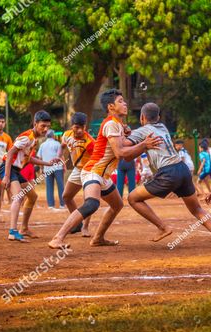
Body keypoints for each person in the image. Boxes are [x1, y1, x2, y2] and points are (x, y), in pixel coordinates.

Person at [48, 89, 162, 249]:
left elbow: (126, 153)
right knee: (91, 204)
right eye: (121, 101)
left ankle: (98, 238)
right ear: (110, 106)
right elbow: (121, 153)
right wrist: (143, 144)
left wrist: (135, 140)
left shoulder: (118, 125)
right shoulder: (110, 124)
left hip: (102, 175)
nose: (125, 103)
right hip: (92, 171)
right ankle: (57, 238)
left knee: (117, 205)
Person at [126, 103, 211, 248]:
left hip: (167, 173)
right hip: (182, 169)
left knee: (133, 198)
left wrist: (124, 134)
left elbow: (124, 145)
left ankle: (163, 227)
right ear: (159, 117)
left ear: (142, 117)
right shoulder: (163, 127)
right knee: (197, 209)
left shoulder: (142, 130)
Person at [0, 110, 62, 242]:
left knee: (32, 196)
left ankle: (24, 228)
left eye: (48, 127)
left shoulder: (33, 140)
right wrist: (6, 176)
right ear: (35, 124)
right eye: (43, 126)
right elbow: (10, 154)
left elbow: (28, 159)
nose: (45, 129)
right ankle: (12, 232)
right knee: (18, 197)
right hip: (8, 167)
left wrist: (47, 163)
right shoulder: (27, 137)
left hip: (16, 170)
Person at [60, 112, 95, 237]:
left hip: (89, 170)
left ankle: (85, 227)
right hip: (77, 169)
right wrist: (60, 158)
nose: (79, 130)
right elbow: (63, 146)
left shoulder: (90, 142)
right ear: (71, 126)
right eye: (76, 127)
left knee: (88, 200)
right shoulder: (66, 135)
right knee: (66, 197)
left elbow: (97, 158)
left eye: (82, 127)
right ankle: (77, 224)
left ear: (85, 127)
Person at [37, 129, 65, 209]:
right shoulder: (57, 144)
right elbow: (61, 156)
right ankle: (62, 204)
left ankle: (50, 205)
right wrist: (64, 166)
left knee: (49, 187)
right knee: (61, 186)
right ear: (53, 136)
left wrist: (41, 168)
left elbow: (40, 158)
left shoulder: (42, 145)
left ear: (46, 136)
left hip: (47, 168)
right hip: (57, 168)